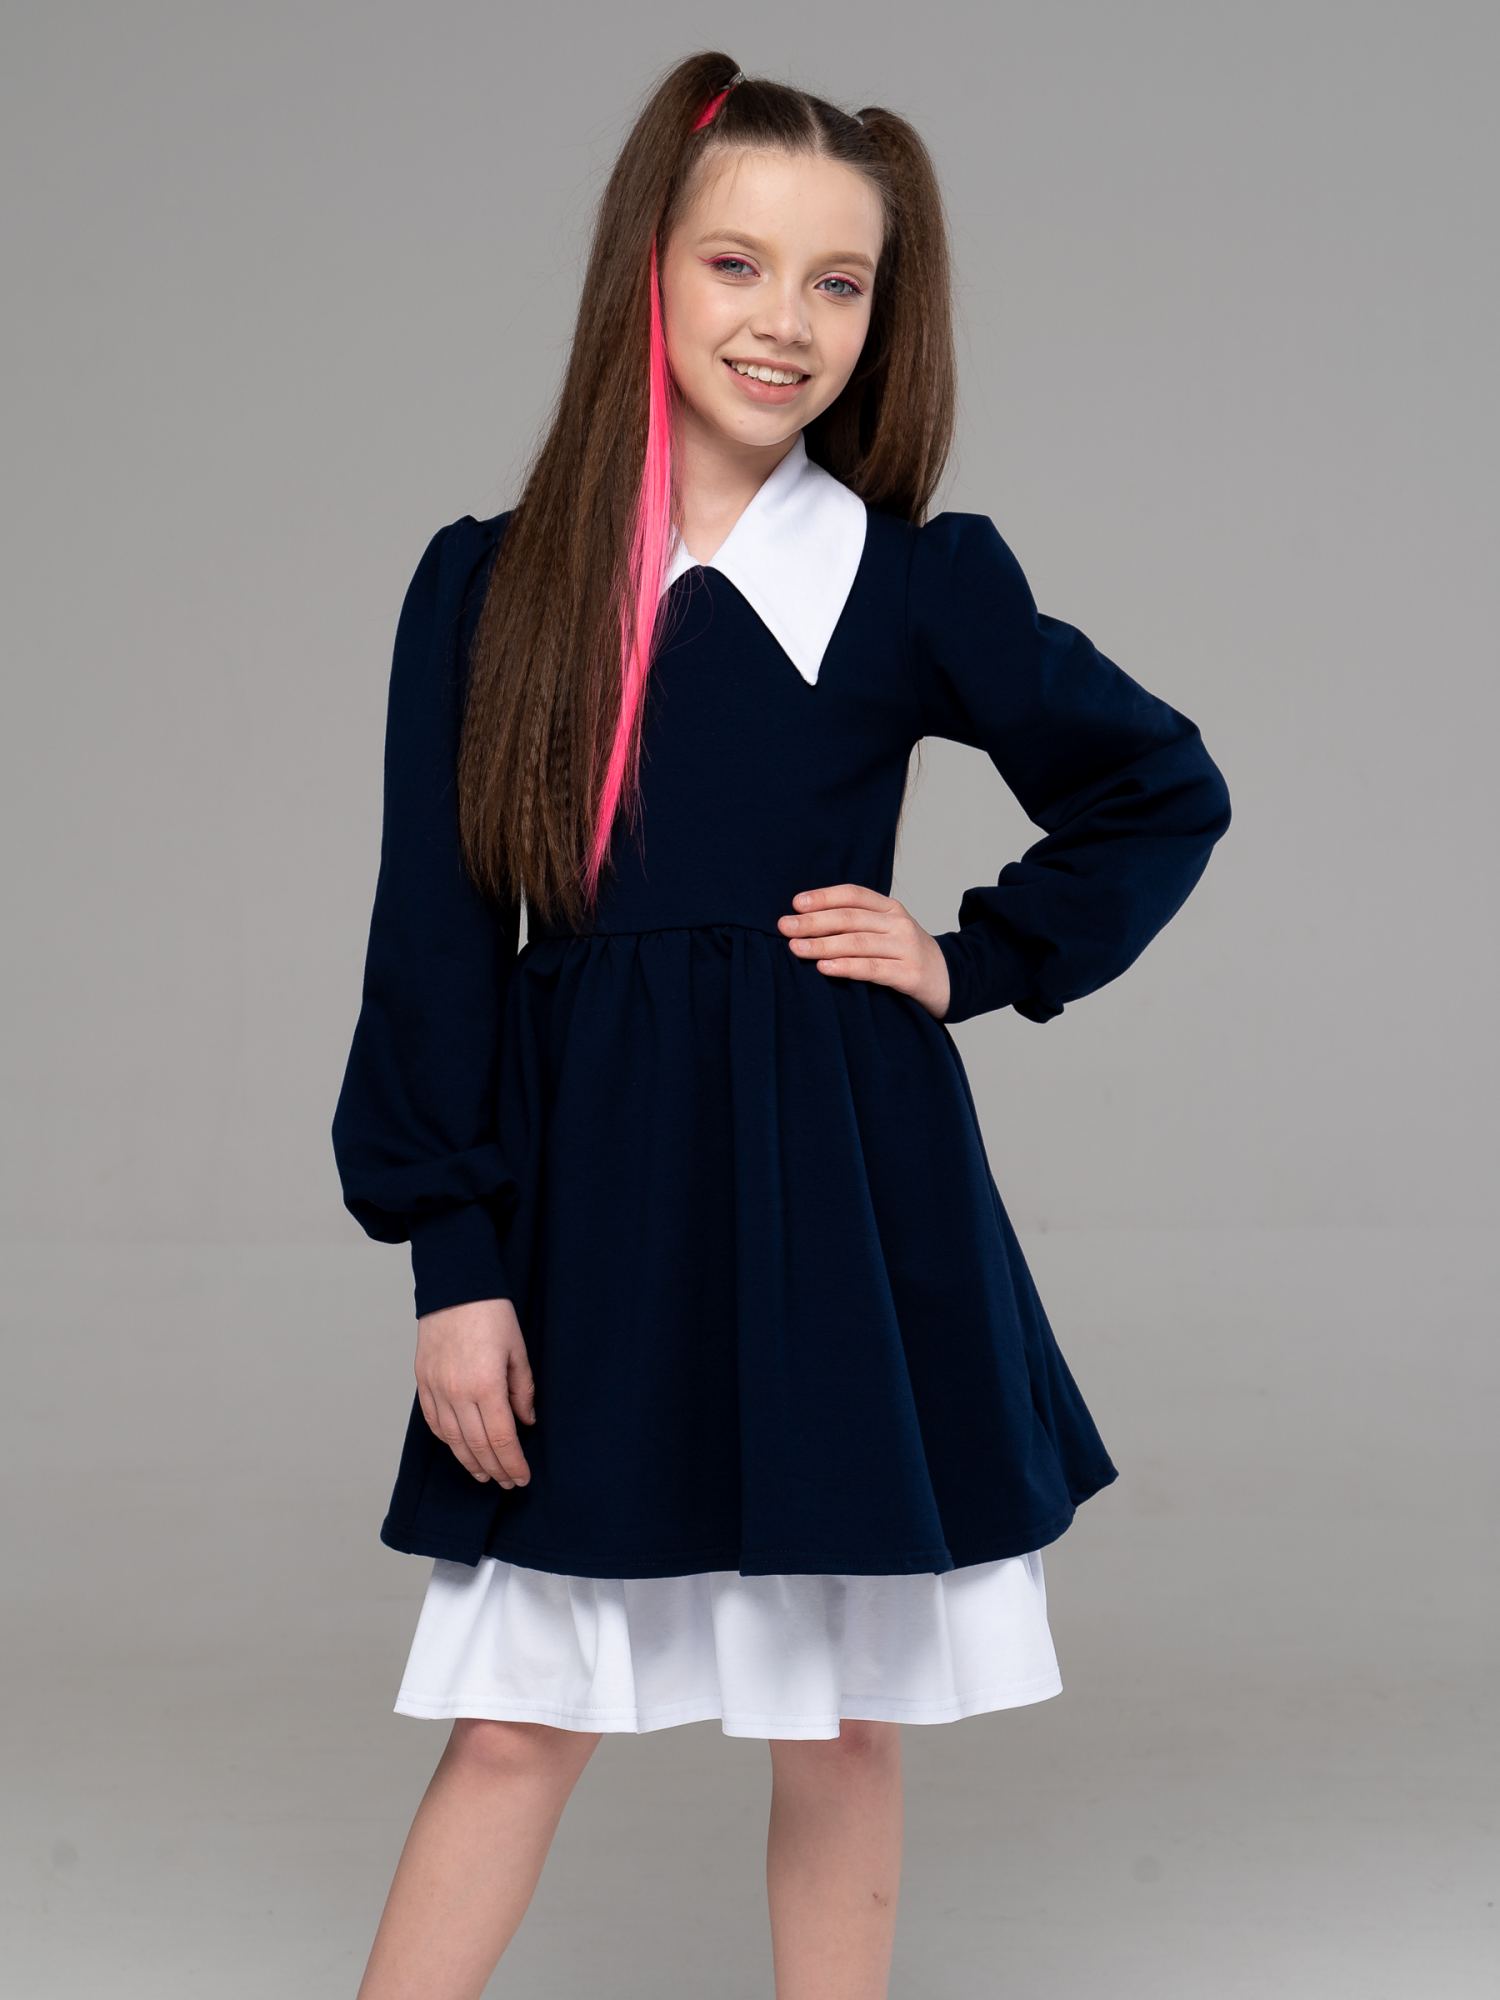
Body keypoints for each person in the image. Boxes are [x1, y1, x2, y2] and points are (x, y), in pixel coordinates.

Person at [330, 52, 1232, 2000]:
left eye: (841, 283)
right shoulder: (492, 590)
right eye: (739, 264)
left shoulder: (914, 584)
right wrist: (453, 1257)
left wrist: (973, 956)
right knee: (518, 1713)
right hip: (595, 1211)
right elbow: (434, 941)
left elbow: (1158, 785)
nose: (788, 322)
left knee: (841, 1723)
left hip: (842, 1202)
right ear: (645, 273)